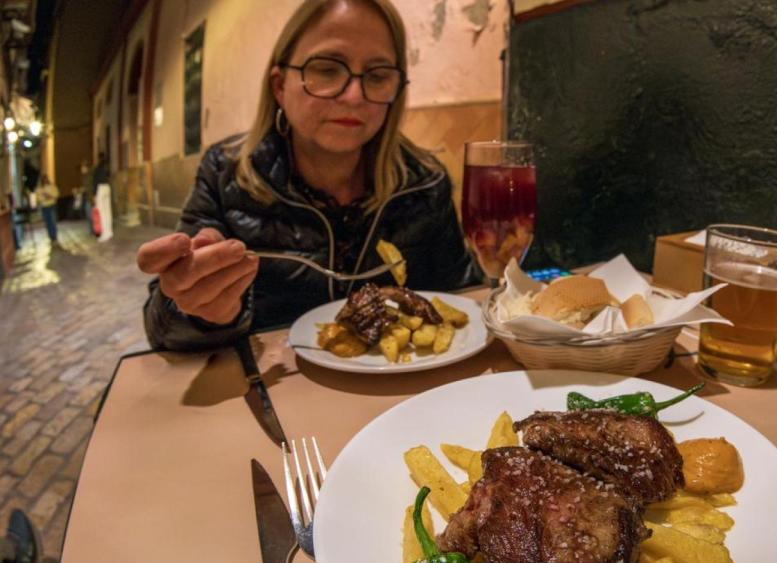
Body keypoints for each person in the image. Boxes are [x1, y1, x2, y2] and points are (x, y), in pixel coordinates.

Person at [137, 0, 473, 352]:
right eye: (327, 70)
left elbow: (463, 300)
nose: (355, 96)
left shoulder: (424, 183)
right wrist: (201, 312)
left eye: (377, 76)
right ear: (280, 86)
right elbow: (163, 331)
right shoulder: (226, 175)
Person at [34, 175, 59, 244]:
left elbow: (56, 195)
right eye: (43, 179)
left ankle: (55, 237)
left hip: (51, 206)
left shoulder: (52, 187)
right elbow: (38, 198)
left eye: (46, 179)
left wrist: (49, 196)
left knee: (53, 222)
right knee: (47, 223)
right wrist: (45, 197)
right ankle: (51, 237)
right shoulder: (39, 189)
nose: (45, 180)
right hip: (44, 207)